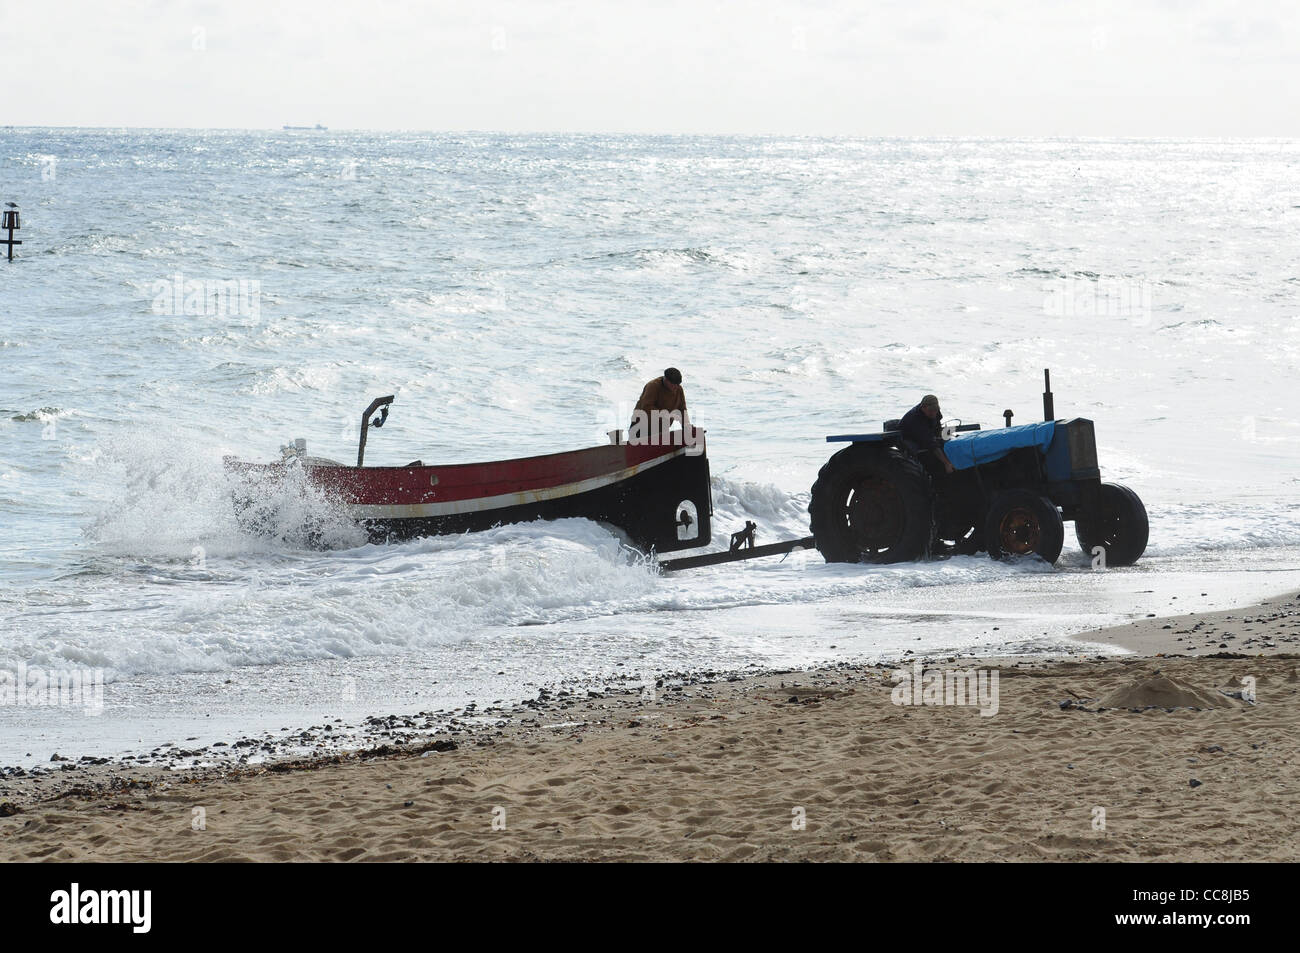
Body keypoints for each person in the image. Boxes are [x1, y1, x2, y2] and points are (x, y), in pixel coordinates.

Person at [900, 394, 954, 475]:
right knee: (921, 453)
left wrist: (942, 435)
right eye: (930, 411)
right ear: (923, 408)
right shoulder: (915, 419)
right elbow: (930, 443)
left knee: (946, 440)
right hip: (909, 436)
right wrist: (946, 463)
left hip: (927, 431)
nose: (933, 413)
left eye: (935, 410)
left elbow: (937, 426)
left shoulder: (935, 411)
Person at [630, 367, 688, 443]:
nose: (676, 388)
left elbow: (682, 409)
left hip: (662, 430)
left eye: (678, 385)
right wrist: (666, 415)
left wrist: (686, 426)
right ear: (666, 380)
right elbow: (646, 407)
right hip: (641, 428)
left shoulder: (678, 389)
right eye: (673, 385)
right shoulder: (653, 386)